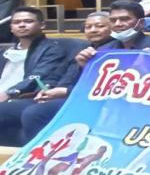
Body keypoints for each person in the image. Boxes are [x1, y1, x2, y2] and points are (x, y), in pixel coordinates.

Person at [14, 13, 113, 143]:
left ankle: (38, 153)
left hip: (84, 98)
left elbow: (104, 86)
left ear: (112, 28)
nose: (93, 30)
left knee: (34, 113)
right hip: (57, 94)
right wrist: (47, 89)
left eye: (100, 26)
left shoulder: (116, 51)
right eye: (88, 27)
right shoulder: (81, 49)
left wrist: (66, 91)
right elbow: (59, 73)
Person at [0, 7, 68, 145]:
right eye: (16, 22)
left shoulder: (52, 49)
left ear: (42, 25)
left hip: (25, 97)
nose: (22, 25)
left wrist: (8, 93)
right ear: (11, 28)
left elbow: (38, 76)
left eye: (28, 21)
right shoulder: (5, 52)